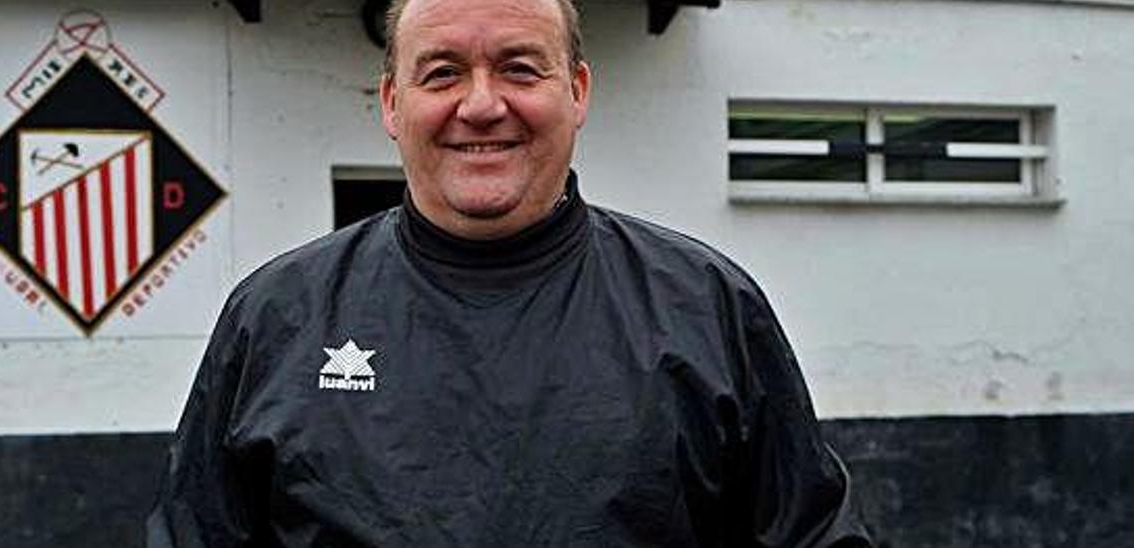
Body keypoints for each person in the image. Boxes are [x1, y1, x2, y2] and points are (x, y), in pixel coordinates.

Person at [147, 0, 872, 545]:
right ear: (394, 103)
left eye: (521, 68)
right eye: (442, 73)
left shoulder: (707, 306)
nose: (483, 104)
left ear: (578, 91)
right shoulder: (279, 316)